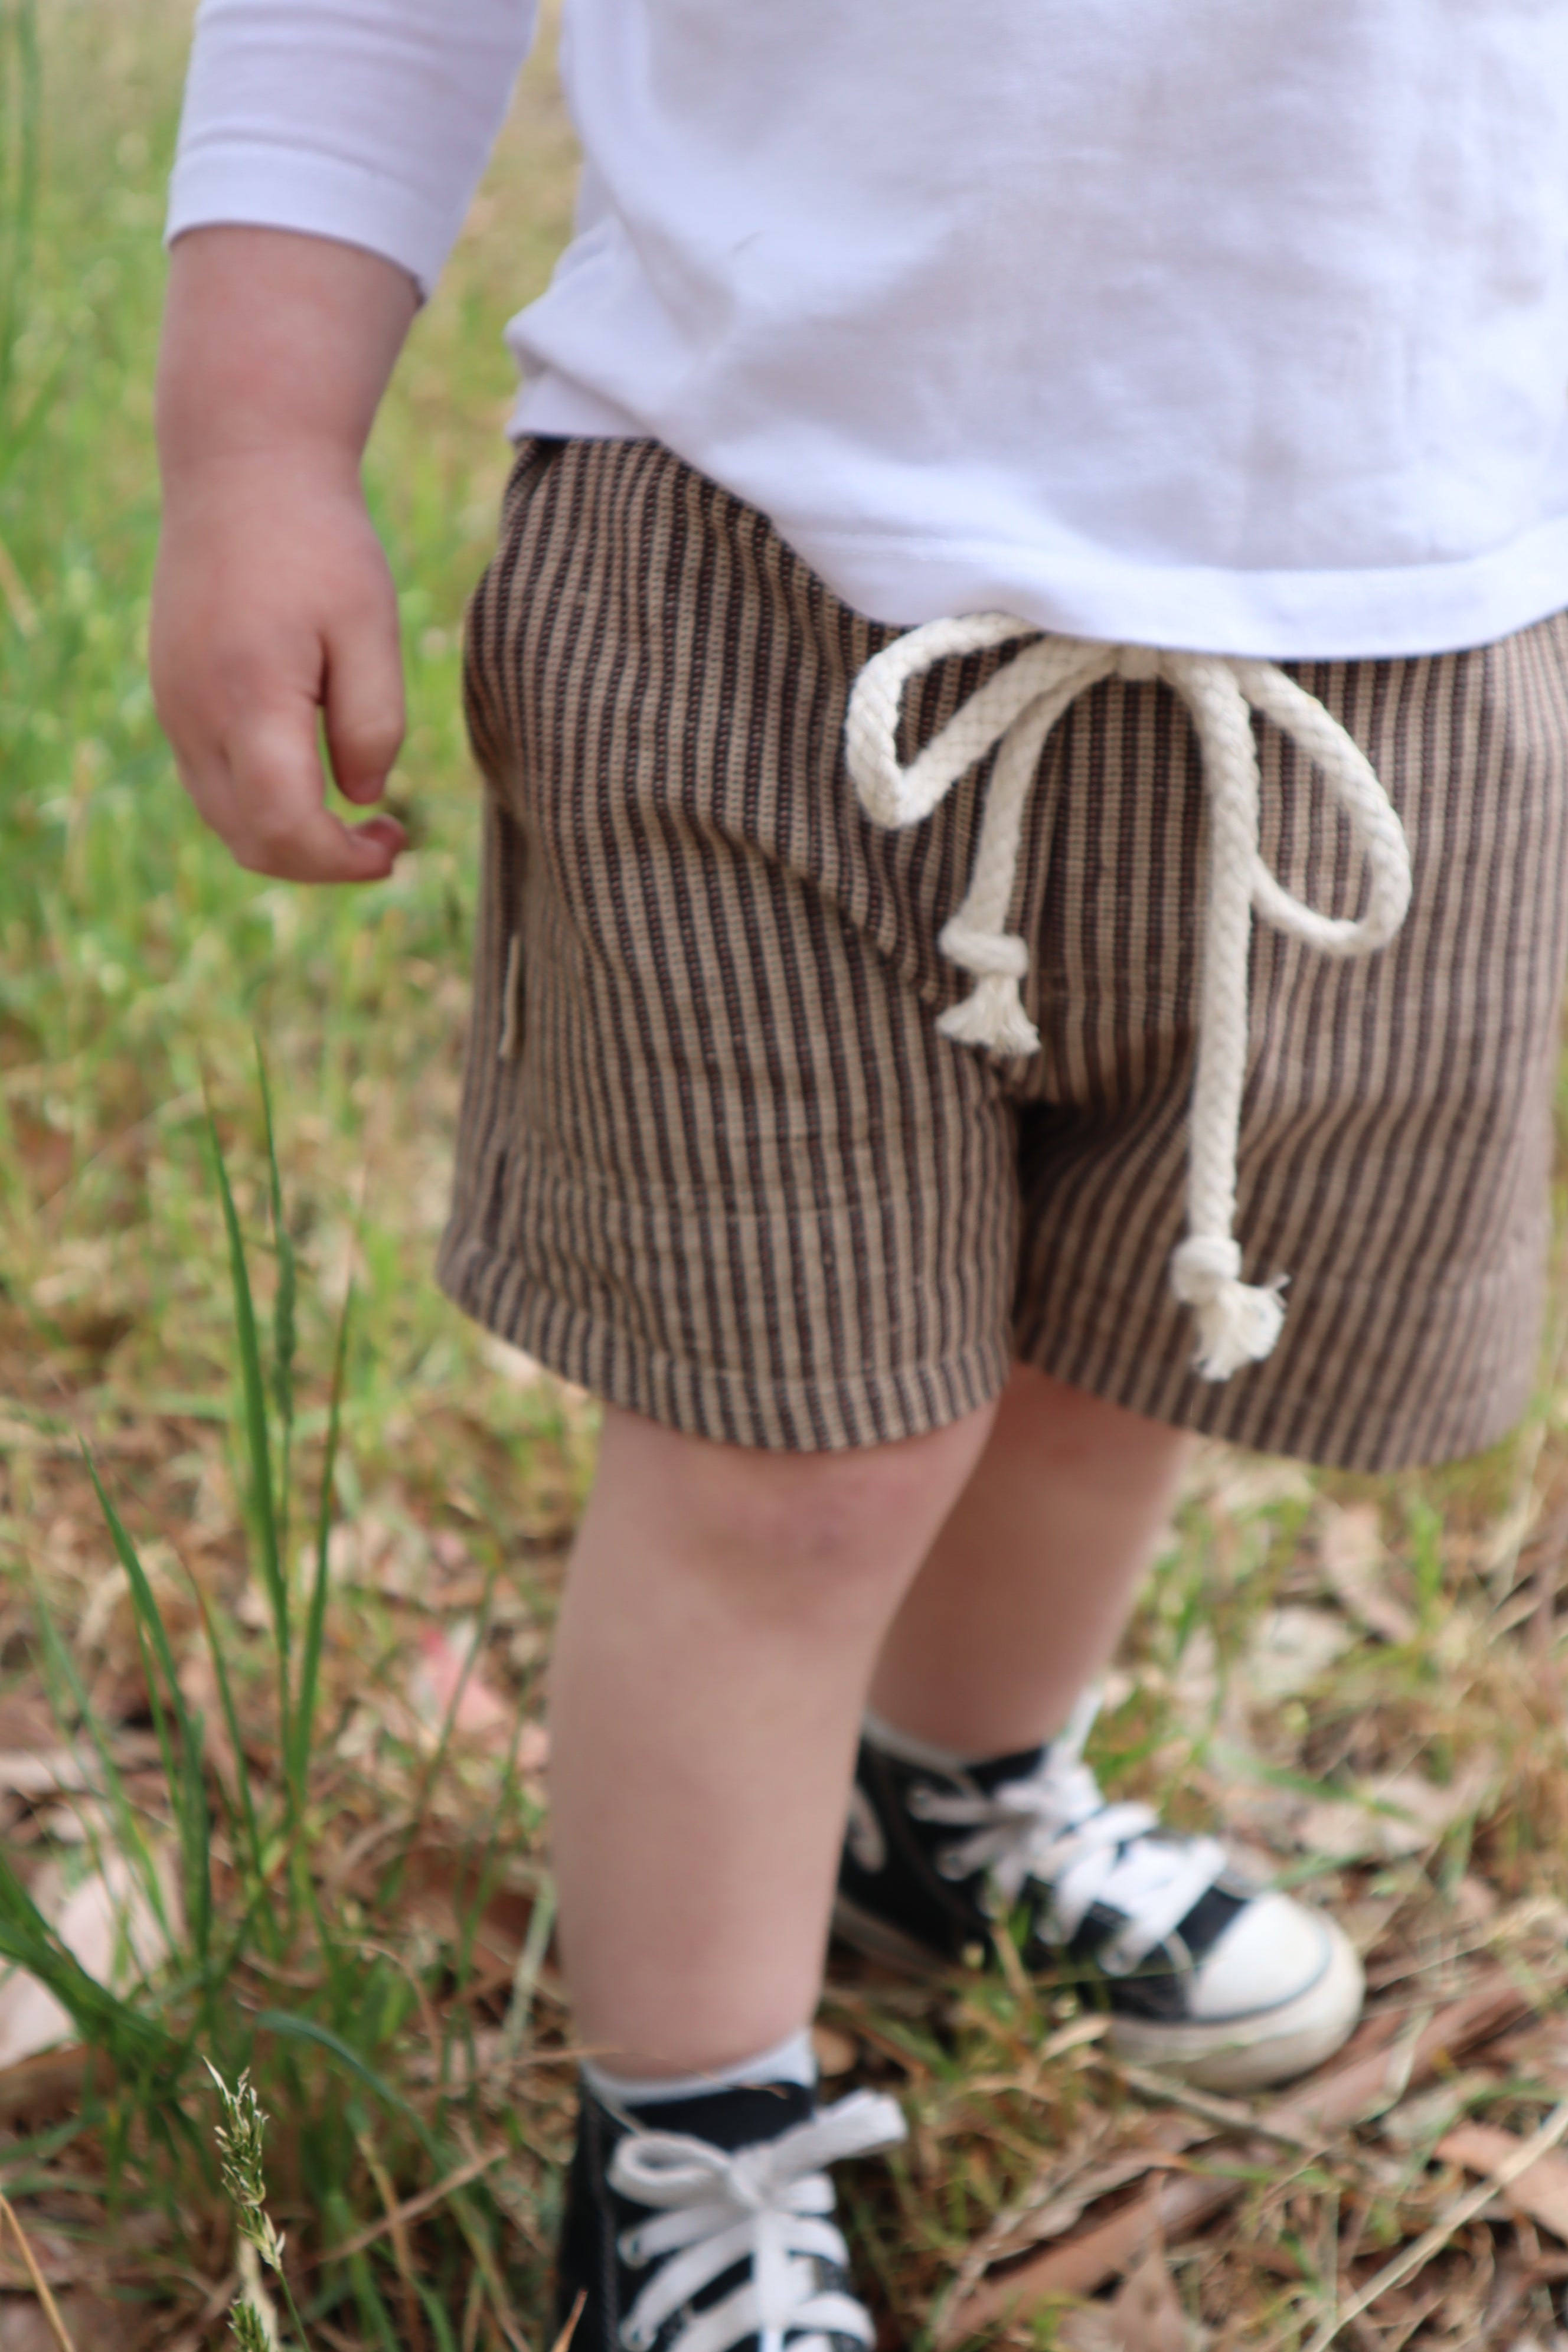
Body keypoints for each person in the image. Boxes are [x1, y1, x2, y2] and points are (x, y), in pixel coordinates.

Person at [151, 5, 1568, 2347]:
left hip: (1386, 592)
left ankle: (949, 1807)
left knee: (1121, 1349)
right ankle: (686, 2132)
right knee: (793, 1444)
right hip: (755, 569)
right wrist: (256, 451)